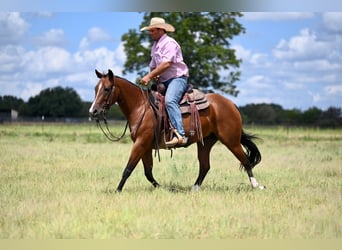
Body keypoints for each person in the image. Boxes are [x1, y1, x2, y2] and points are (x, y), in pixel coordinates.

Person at [140, 17, 189, 147]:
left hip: (177, 79)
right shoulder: (155, 46)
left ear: (161, 30)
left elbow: (167, 63)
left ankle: (180, 135)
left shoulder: (170, 43)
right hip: (163, 80)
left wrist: (149, 76)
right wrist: (155, 73)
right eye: (149, 31)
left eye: (152, 31)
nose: (150, 33)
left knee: (170, 100)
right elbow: (153, 64)